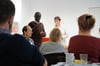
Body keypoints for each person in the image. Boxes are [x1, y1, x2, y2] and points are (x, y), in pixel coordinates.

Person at [0, 0, 47, 66]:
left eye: (39, 16)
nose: (31, 32)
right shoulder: (18, 42)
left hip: (37, 44)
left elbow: (44, 34)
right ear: (11, 19)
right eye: (38, 16)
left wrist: (42, 34)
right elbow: (44, 63)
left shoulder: (41, 25)